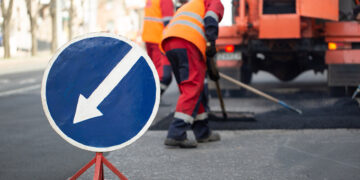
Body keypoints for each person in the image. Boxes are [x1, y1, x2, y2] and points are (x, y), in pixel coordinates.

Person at [160, 0, 224, 148]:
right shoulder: (213, 1)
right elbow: (211, 18)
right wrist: (212, 42)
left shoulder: (191, 5)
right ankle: (176, 132)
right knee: (192, 87)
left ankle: (202, 132)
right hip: (188, 42)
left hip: (170, 43)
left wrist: (208, 65)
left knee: (192, 88)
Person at [142, 0, 174, 94]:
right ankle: (153, 97)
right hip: (159, 40)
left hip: (149, 38)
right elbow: (168, 22)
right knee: (164, 75)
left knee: (154, 72)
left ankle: (151, 97)